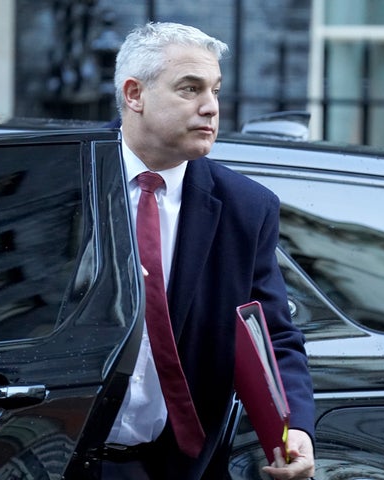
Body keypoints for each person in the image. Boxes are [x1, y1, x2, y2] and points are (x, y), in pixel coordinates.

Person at [97, 22, 315, 479]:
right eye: (190, 89)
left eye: (215, 90)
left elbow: (272, 334)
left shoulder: (246, 208)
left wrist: (294, 428)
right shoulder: (67, 184)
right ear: (134, 94)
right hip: (57, 457)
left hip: (180, 467)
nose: (210, 107)